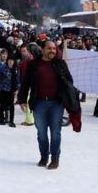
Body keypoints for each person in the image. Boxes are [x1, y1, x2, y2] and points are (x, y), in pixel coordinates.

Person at [17, 40, 77, 170]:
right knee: (41, 133)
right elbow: (26, 83)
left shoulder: (60, 64)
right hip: (39, 103)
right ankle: (44, 156)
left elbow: (69, 82)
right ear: (42, 49)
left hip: (56, 103)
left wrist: (70, 99)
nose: (52, 51)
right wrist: (22, 99)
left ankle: (55, 159)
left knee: (56, 132)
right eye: (49, 48)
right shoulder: (33, 65)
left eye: (54, 49)